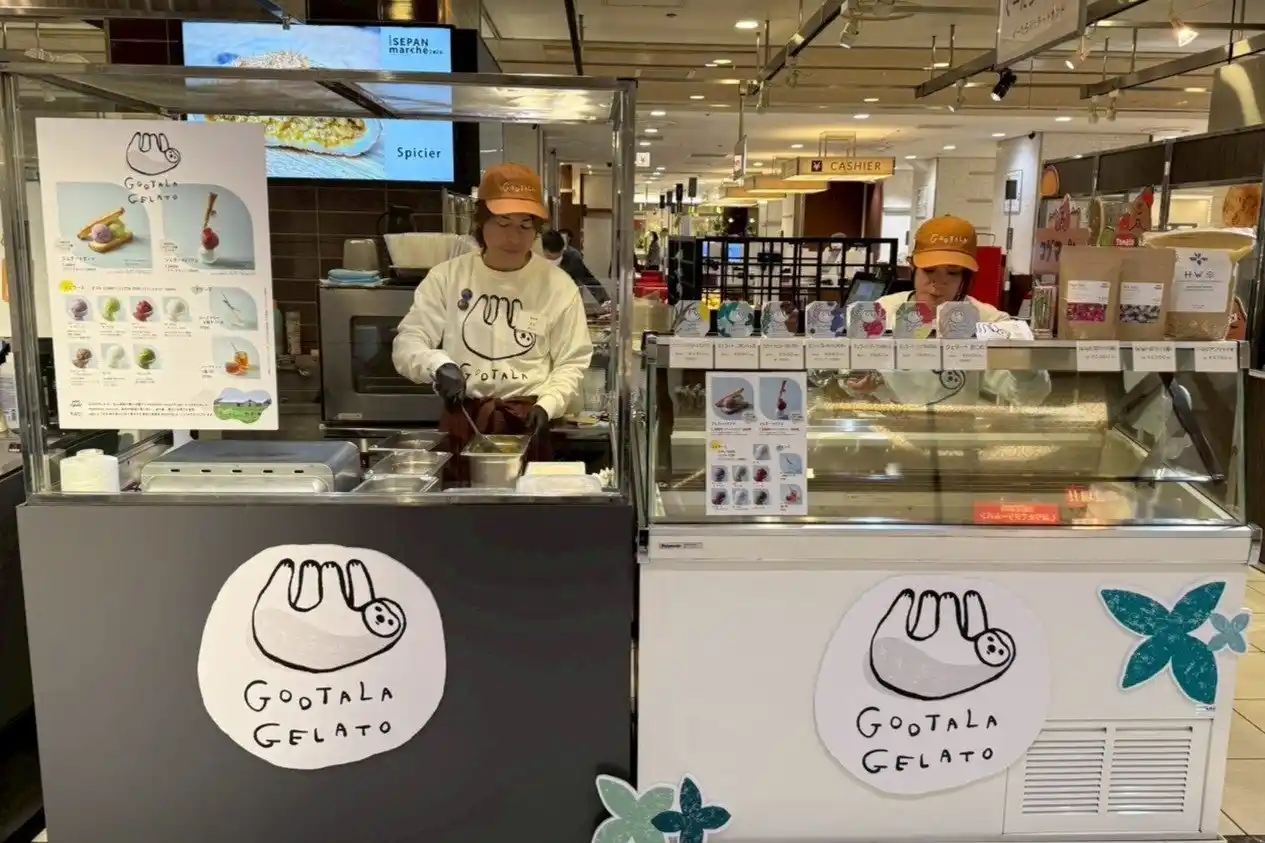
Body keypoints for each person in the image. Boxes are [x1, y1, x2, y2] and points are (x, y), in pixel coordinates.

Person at [392, 163, 593, 459]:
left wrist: (548, 403)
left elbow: (572, 360)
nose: (514, 237)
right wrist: (437, 364)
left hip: (530, 419)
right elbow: (409, 342)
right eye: (502, 222)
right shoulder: (447, 277)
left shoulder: (558, 285)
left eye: (525, 225)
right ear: (481, 222)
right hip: (465, 418)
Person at [843, 216, 1050, 406]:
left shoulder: (990, 320)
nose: (938, 282)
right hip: (890, 428)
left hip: (956, 431)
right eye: (929, 270)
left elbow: (1030, 396)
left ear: (966, 276)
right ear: (912, 267)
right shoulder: (882, 310)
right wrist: (858, 379)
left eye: (952, 272)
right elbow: (847, 374)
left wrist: (1023, 366)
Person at [542, 230, 610, 306]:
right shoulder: (537, 261)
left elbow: (590, 281)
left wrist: (605, 302)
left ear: (563, 249)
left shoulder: (572, 261)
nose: (554, 258)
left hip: (567, 303)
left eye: (558, 254)